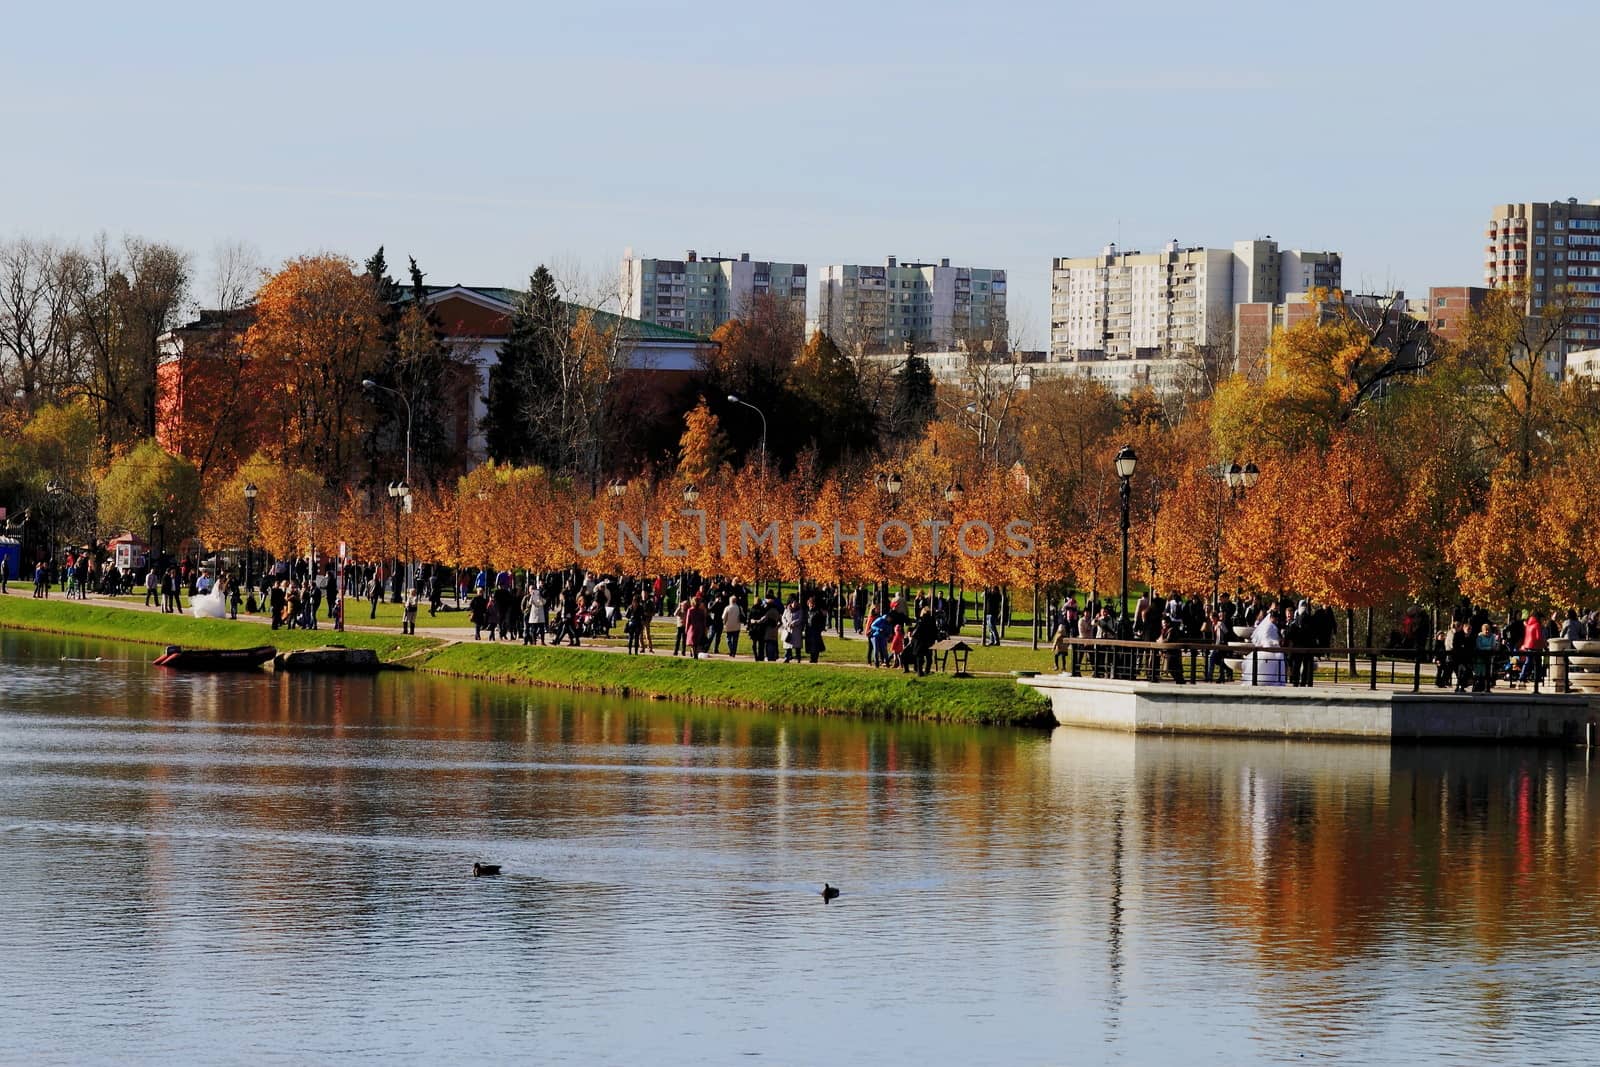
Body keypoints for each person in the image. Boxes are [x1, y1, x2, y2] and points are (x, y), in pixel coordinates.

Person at [804, 596, 829, 664]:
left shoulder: (817, 611)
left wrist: (820, 628)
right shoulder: (807, 611)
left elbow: (822, 620)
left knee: (815, 645)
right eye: (810, 603)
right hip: (809, 630)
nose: (811, 604)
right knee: (811, 645)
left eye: (812, 603)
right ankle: (812, 658)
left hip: (815, 630)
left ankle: (815, 658)